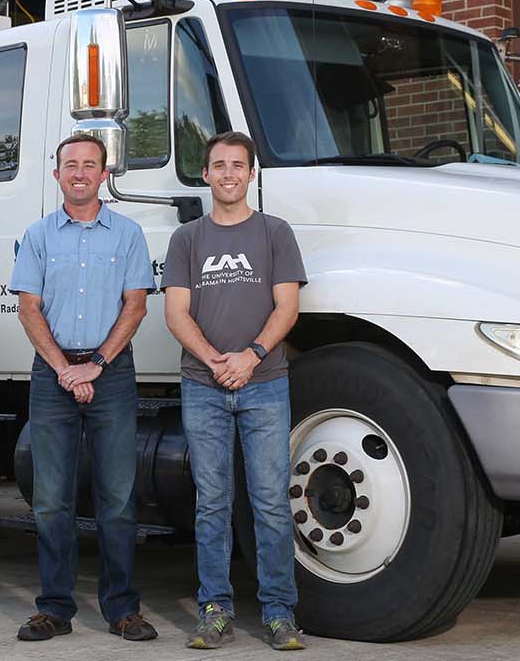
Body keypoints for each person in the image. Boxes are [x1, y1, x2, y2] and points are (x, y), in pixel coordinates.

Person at [161, 131, 308, 651]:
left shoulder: (275, 233)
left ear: (251, 175)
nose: (228, 173)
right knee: (212, 503)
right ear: (206, 175)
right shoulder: (187, 239)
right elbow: (175, 312)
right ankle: (215, 611)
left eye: (237, 165)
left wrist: (251, 357)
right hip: (202, 386)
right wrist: (215, 361)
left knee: (270, 501)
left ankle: (278, 613)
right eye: (218, 165)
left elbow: (287, 307)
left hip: (265, 384)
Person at [9, 134, 157, 643]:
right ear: (56, 175)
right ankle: (54, 608)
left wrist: (95, 364)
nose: (79, 172)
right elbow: (29, 308)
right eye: (70, 165)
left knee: (118, 498)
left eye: (89, 165)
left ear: (103, 174)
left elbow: (135, 305)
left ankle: (122, 609)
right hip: (52, 376)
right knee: (51, 500)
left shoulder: (128, 234)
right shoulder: (38, 236)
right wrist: (64, 368)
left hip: (111, 373)